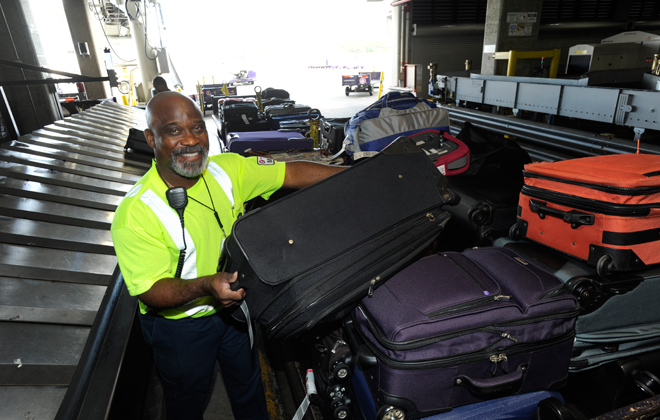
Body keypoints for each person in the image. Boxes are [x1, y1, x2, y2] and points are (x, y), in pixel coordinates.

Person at [111, 91, 344, 420]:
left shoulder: (227, 170)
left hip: (233, 312)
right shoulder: (135, 212)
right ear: (151, 137)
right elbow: (150, 289)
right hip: (181, 329)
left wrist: (360, 176)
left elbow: (292, 173)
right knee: (187, 401)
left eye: (197, 127)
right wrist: (205, 286)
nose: (191, 140)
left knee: (248, 386)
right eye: (174, 131)